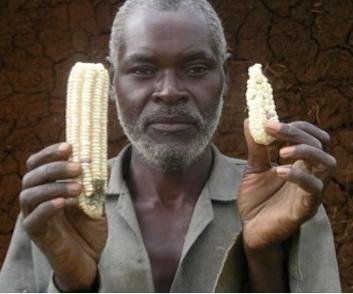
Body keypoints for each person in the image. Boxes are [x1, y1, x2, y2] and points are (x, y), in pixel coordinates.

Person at [0, 0, 341, 292]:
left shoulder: (290, 194)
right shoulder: (54, 206)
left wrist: (264, 258)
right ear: (112, 81)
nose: (168, 91)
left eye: (195, 68)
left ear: (224, 77)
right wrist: (73, 286)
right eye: (142, 69)